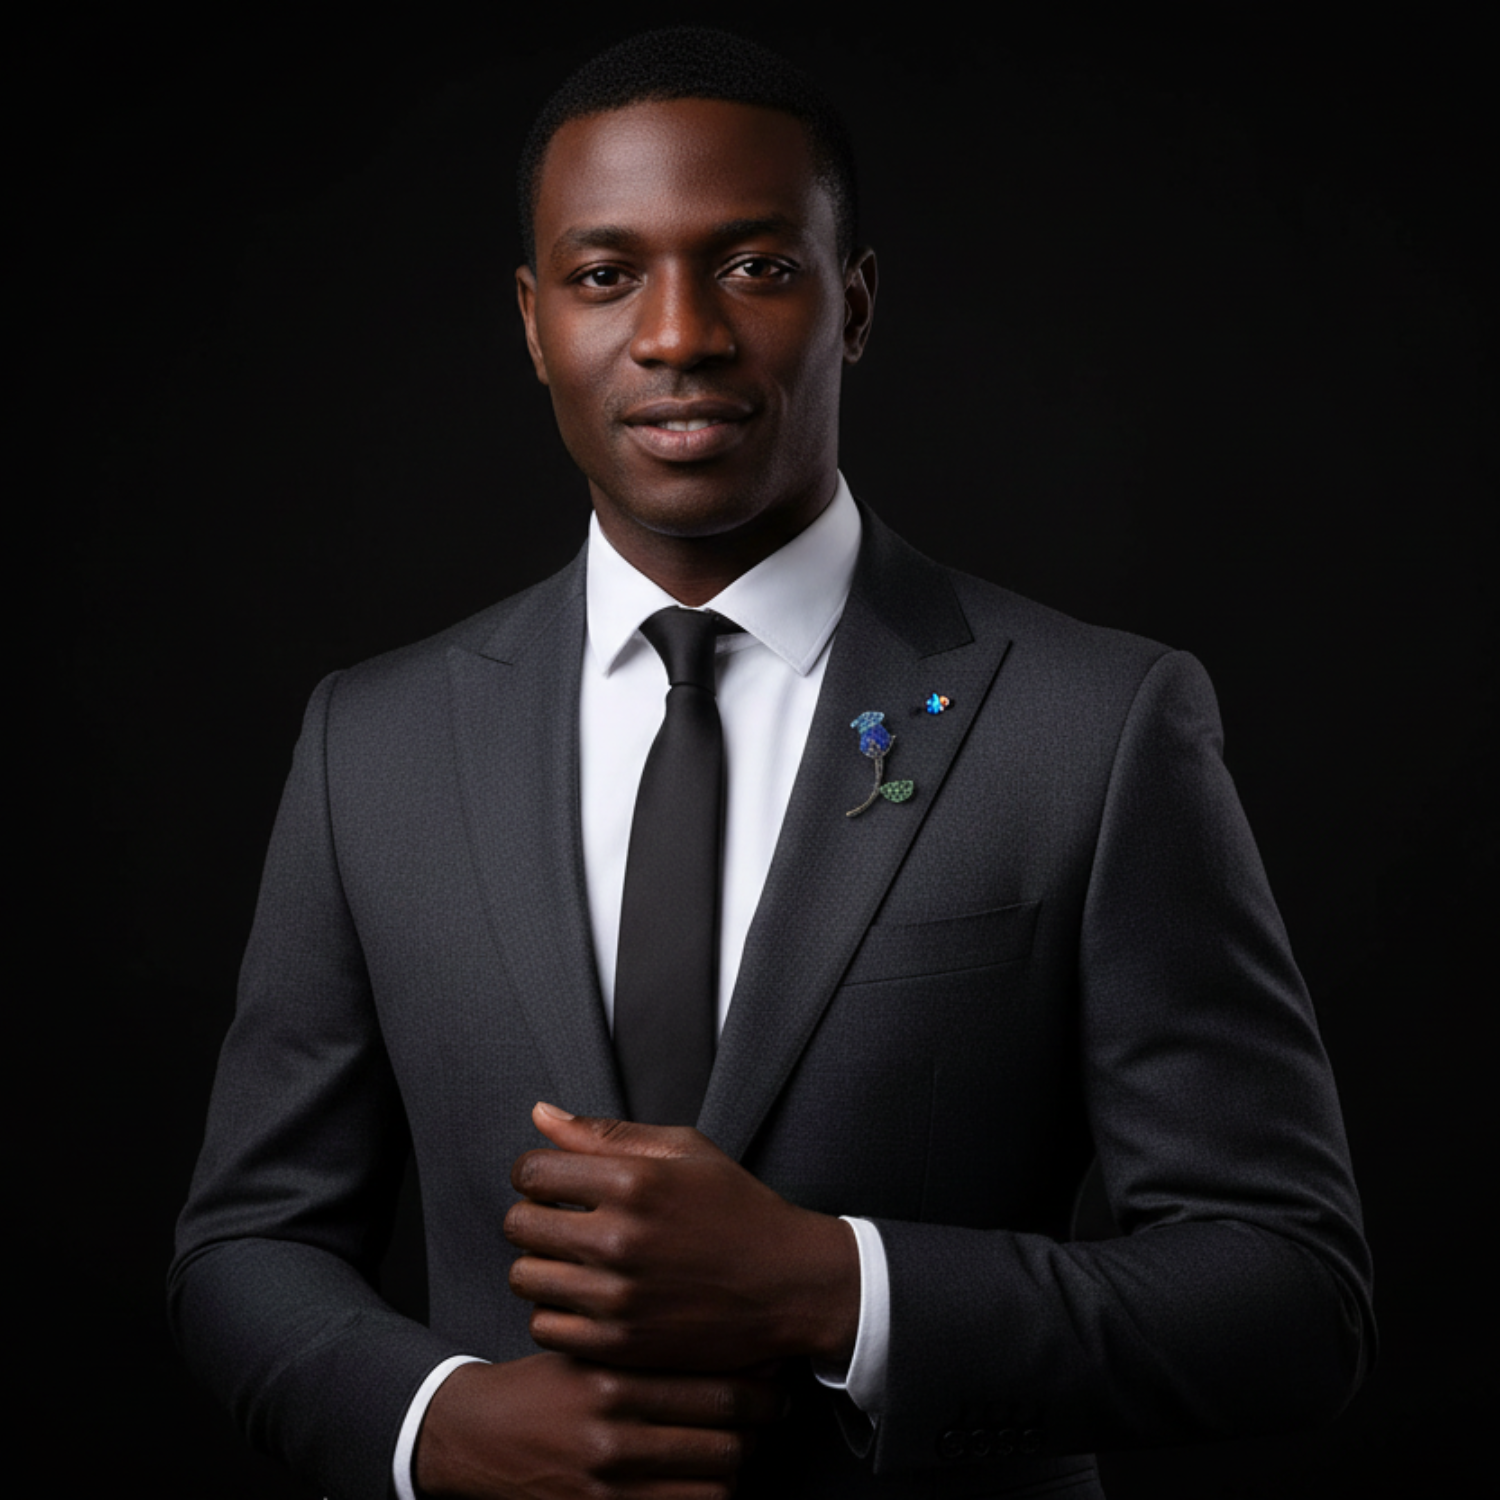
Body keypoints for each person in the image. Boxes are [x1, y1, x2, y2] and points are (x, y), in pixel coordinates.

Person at [170, 27, 1374, 1500]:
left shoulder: (1100, 724)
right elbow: (248, 1244)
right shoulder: (373, 741)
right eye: (606, 275)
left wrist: (832, 1286)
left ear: (851, 304)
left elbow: (1291, 1296)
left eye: (753, 265)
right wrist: (438, 1423)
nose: (679, 334)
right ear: (535, 322)